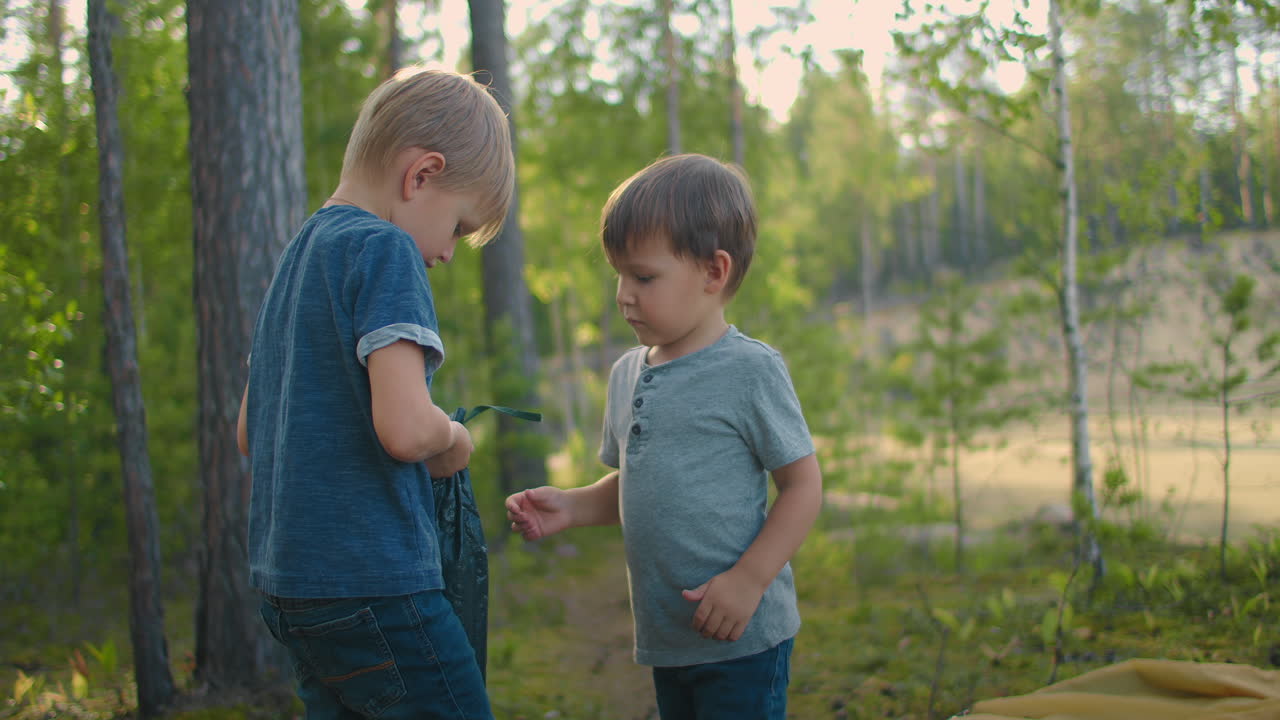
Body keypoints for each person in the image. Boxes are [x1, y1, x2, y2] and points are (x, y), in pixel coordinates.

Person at [235, 66, 512, 720]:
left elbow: (249, 431)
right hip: (375, 583)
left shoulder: (296, 257)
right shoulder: (385, 250)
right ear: (421, 176)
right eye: (458, 226)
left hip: (290, 589)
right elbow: (408, 430)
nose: (448, 253)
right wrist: (454, 437)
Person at [505, 153, 824, 720]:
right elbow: (641, 482)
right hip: (668, 638)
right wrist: (572, 507)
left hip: (742, 637)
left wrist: (749, 580)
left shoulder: (749, 370)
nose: (623, 294)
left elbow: (803, 486)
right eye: (619, 275)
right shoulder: (627, 374)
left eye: (644, 277)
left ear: (713, 272)